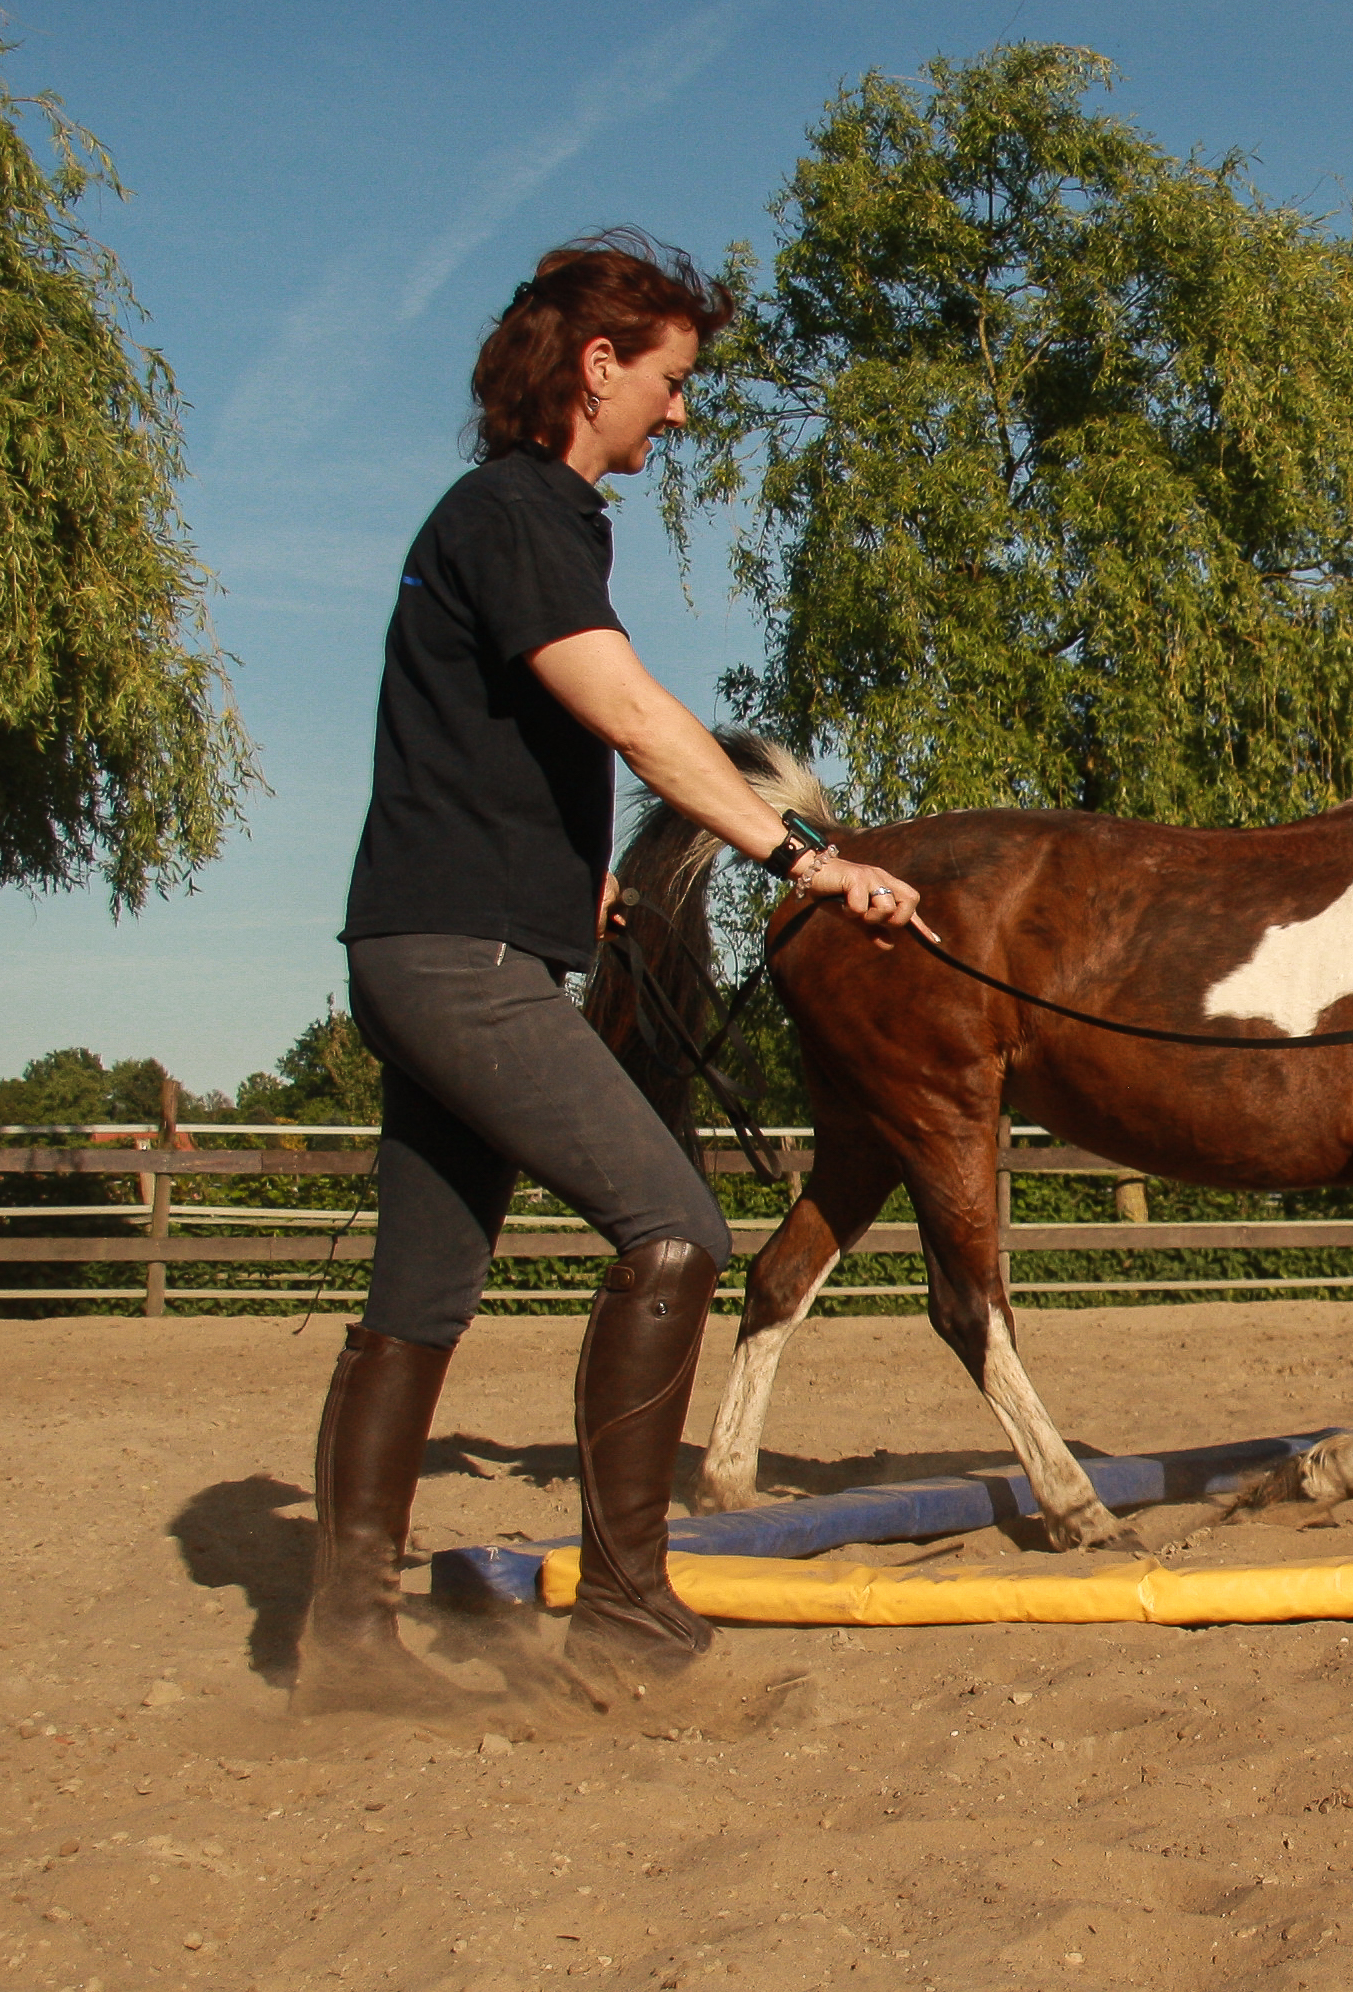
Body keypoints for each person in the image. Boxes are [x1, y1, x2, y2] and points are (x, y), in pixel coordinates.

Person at [305, 229, 921, 1708]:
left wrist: (565, 876)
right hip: (463, 965)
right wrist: (803, 856)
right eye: (673, 379)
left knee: (418, 1296)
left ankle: (342, 1644)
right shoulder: (525, 512)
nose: (683, 411)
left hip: (435, 940)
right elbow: (637, 715)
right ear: (598, 368)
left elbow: (493, 748)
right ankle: (630, 1604)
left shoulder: (510, 521)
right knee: (676, 1228)